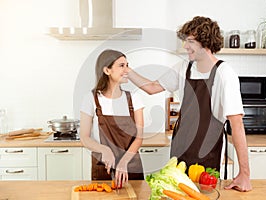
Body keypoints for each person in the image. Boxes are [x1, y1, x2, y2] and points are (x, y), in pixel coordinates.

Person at [127, 16, 252, 192]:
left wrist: (244, 174)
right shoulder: (184, 67)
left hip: (207, 155)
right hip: (180, 152)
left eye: (190, 41)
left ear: (206, 42)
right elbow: (153, 87)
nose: (185, 46)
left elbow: (237, 124)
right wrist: (128, 71)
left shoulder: (224, 74)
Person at [80, 49, 145, 187]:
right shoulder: (91, 99)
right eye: (122, 65)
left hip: (130, 167)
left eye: (127, 65)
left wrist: (123, 162)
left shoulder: (135, 98)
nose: (127, 70)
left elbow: (139, 138)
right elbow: (84, 138)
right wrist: (105, 150)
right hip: (103, 166)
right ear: (107, 70)